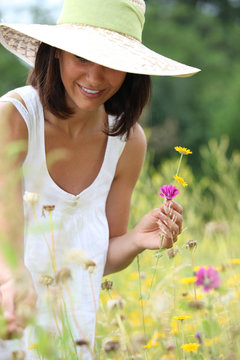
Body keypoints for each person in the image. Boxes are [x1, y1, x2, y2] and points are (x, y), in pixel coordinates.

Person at [0, 0, 200, 358]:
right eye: (82, 58)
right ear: (57, 54)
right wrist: (14, 276)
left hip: (70, 340)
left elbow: (99, 257)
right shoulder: (15, 118)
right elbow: (6, 232)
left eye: (111, 64)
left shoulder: (127, 143)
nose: (94, 77)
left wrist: (138, 239)